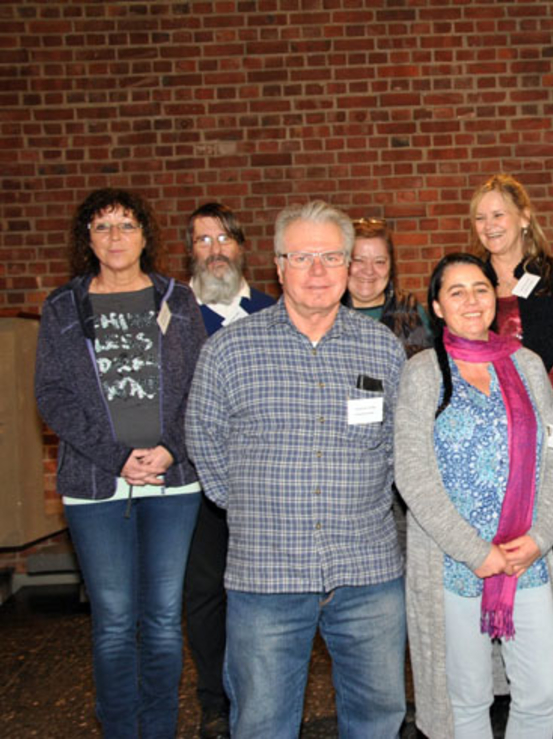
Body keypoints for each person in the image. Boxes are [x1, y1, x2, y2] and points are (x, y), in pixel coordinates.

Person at [185, 200, 408, 738]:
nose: (317, 271)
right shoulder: (229, 351)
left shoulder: (383, 349)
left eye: (332, 257)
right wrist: (253, 510)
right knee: (262, 722)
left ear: (350, 265)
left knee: (379, 718)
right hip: (266, 574)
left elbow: (398, 447)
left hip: (367, 571)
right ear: (278, 266)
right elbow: (204, 440)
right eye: (302, 257)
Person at [34, 188, 206, 738]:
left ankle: (158, 729)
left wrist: (171, 447)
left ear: (144, 236)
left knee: (160, 621)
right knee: (112, 624)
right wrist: (116, 458)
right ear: (87, 238)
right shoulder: (63, 306)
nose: (115, 237)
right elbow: (53, 394)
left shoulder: (178, 301)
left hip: (172, 482)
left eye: (126, 226)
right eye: (102, 227)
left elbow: (203, 388)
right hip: (94, 485)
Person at [394, 253, 553, 738]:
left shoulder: (528, 366)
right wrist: (475, 552)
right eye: (457, 292)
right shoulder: (425, 373)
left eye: (481, 289)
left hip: (525, 559)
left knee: (540, 693)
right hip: (454, 564)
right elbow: (412, 473)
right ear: (437, 307)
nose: (471, 300)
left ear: (496, 299)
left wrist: (541, 535)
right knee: (465, 700)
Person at [470, 173, 553, 732]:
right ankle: (497, 686)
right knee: (490, 566)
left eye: (499, 214)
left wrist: (548, 416)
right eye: (480, 218)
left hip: (543, 444)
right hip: (483, 454)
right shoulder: (467, 280)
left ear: (522, 216)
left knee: (548, 564)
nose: (490, 226)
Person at [183, 202, 276, 739]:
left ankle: (257, 694)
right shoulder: (171, 316)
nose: (215, 250)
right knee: (205, 593)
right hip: (197, 482)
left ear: (242, 247)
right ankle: (213, 701)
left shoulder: (273, 309)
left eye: (224, 239)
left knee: (261, 594)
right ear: (190, 252)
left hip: (264, 484)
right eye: (202, 240)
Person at [343, 216, 432, 357]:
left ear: (391, 267)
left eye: (379, 262)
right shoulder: (327, 312)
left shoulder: (410, 311)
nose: (369, 271)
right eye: (359, 260)